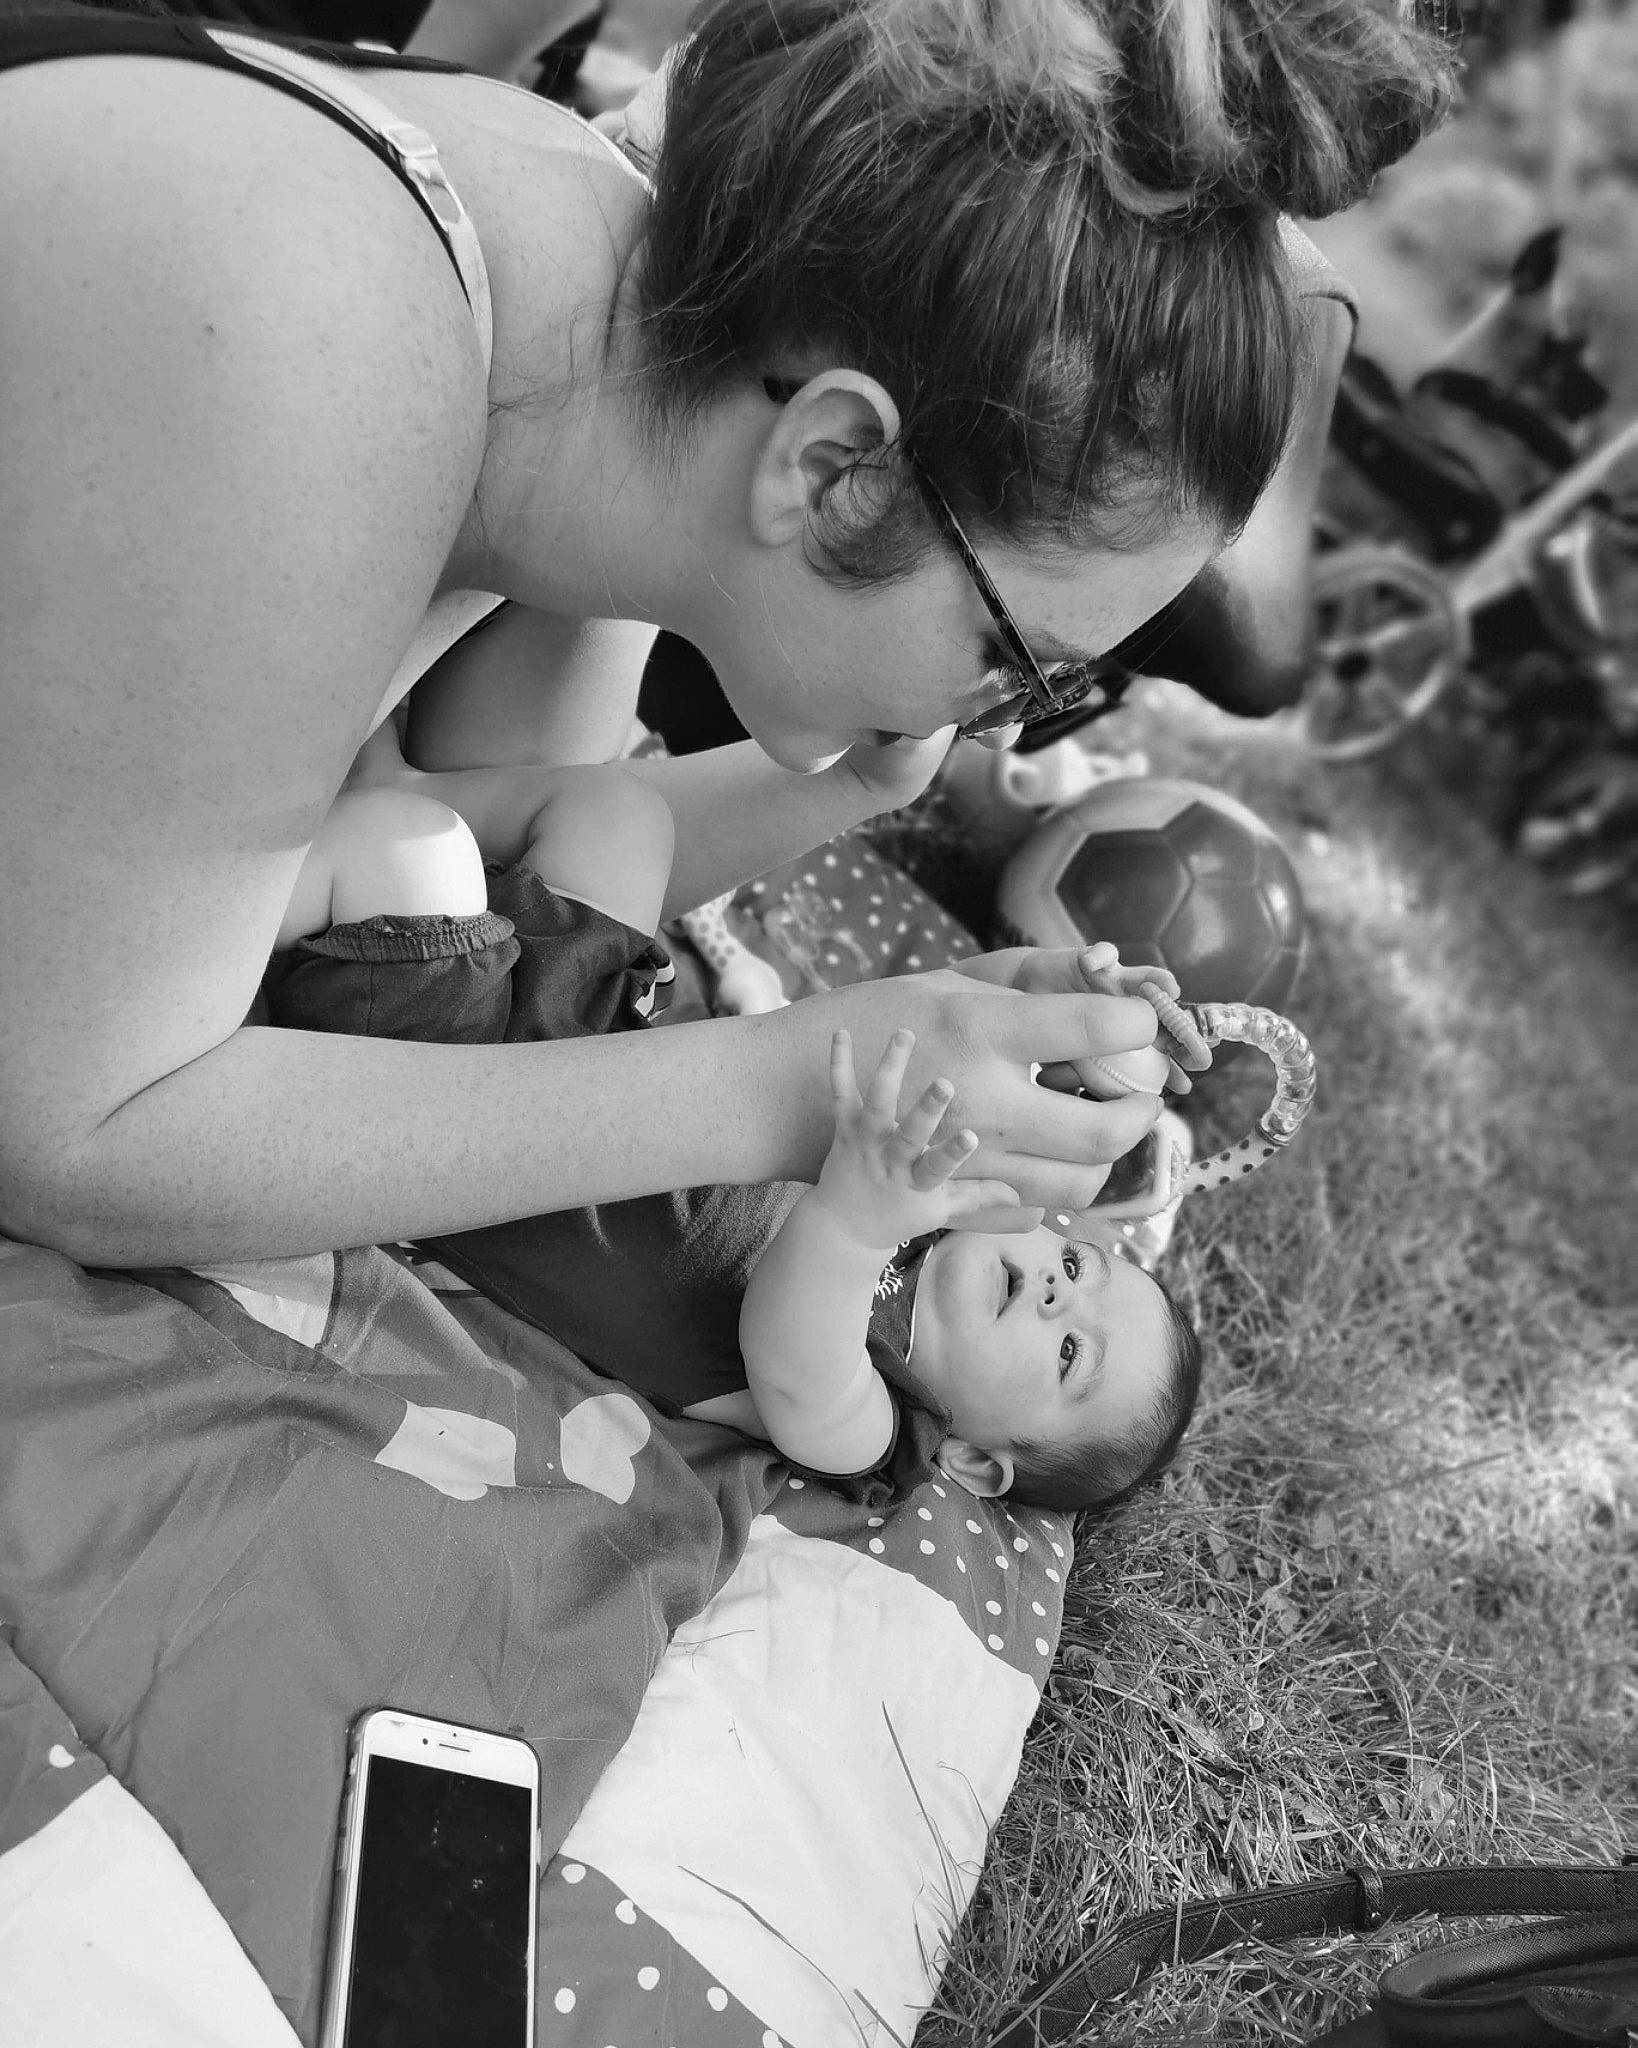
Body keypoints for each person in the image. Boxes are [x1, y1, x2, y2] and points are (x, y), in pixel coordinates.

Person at [0, 0, 1456, 1276]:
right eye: (1022, 660)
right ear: (838, 471)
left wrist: (889, 975)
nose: (1000, 720)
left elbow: (529, 874)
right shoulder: (320, 334)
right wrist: (780, 1087)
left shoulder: (596, 345)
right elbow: (74, 1136)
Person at [264, 737, 1200, 1512]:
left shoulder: (883, 1425)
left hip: (474, 1122)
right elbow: (948, 1021)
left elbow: (793, 1363)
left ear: (977, 1463)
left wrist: (857, 1224)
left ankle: (222, 907)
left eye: (1069, 1351)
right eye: (1079, 1265)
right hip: (596, 1032)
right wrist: (1034, 987)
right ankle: (395, 781)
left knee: (408, 852)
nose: (1056, 1292)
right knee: (621, 815)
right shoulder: (955, 1194)